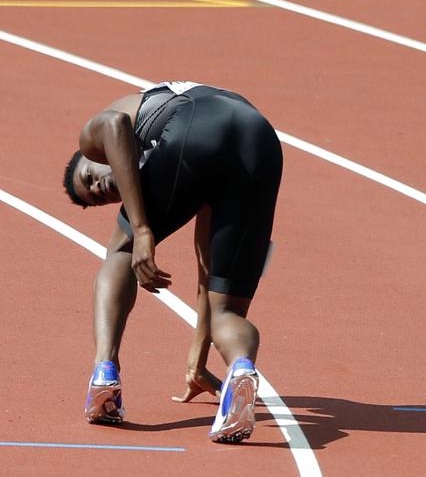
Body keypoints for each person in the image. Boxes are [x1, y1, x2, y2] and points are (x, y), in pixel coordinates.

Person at [63, 81, 283, 441]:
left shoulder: (94, 136)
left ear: (93, 156)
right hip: (260, 143)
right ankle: (241, 369)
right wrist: (197, 361)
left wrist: (141, 229)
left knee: (120, 249)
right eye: (97, 199)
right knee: (226, 309)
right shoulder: (170, 160)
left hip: (200, 123)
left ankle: (105, 371)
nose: (101, 188)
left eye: (89, 177)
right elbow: (206, 270)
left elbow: (115, 124)